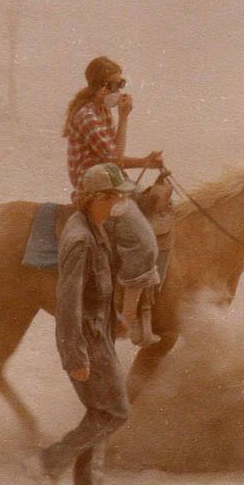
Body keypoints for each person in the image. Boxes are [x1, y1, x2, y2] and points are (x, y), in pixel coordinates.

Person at [28, 163, 139, 485]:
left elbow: (95, 291)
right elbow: (68, 300)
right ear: (98, 198)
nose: (121, 203)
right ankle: (50, 461)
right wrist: (74, 355)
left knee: (100, 412)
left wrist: (114, 319)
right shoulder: (80, 238)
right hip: (87, 341)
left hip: (98, 332)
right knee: (116, 412)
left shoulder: (95, 228)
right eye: (117, 196)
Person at [63, 56, 164, 346]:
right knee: (144, 243)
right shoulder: (88, 116)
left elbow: (114, 160)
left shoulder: (100, 112)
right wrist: (125, 117)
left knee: (157, 205)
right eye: (117, 84)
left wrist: (146, 161)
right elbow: (114, 157)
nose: (121, 89)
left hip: (110, 178)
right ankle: (128, 323)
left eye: (122, 83)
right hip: (96, 189)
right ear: (101, 87)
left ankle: (145, 306)